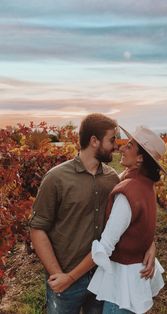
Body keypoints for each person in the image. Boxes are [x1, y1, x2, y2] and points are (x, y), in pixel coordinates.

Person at [29, 114, 156, 314]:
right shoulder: (56, 178)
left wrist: (150, 244)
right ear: (94, 141)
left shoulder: (111, 178)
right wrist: (59, 275)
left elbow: (131, 217)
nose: (116, 146)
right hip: (66, 278)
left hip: (102, 276)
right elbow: (37, 229)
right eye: (112, 140)